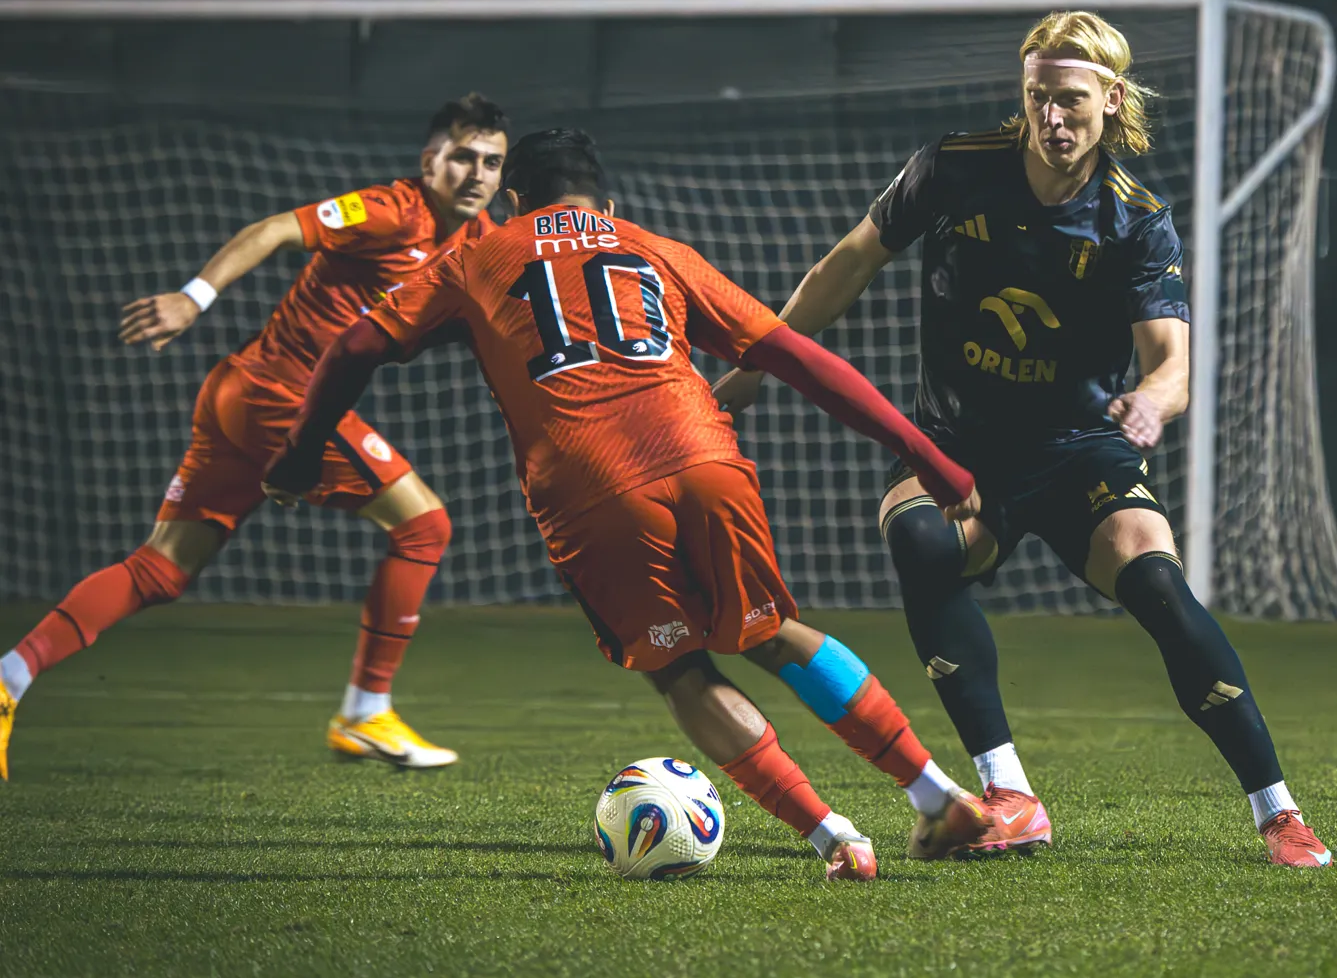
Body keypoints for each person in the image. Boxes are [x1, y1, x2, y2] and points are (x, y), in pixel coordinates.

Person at [262, 128, 989, 880]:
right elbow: (797, 358)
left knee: (676, 668)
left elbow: (354, 347)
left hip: (593, 484)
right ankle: (935, 795)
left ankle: (833, 837)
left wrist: (298, 454)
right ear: (605, 205)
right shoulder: (656, 248)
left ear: (514, 201)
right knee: (772, 633)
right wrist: (926, 455)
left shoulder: (476, 256)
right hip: (706, 457)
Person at [712, 11, 1333, 866]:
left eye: (1071, 99)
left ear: (1111, 100)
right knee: (921, 544)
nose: (1051, 116)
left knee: (1159, 584)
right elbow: (846, 265)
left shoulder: (1135, 220)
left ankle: (1278, 813)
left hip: (1079, 449)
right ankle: (1008, 792)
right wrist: (752, 366)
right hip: (956, 448)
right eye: (1038, 95)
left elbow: (1173, 367)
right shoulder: (952, 169)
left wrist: (1151, 403)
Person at [0, 94, 510, 780]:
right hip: (280, 396)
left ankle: (8, 677)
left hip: (239, 393)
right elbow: (273, 230)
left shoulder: (480, 243)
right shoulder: (392, 210)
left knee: (160, 569)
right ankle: (365, 712)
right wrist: (192, 298)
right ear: (430, 162)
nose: (477, 173)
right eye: (463, 157)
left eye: (491, 162)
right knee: (425, 526)